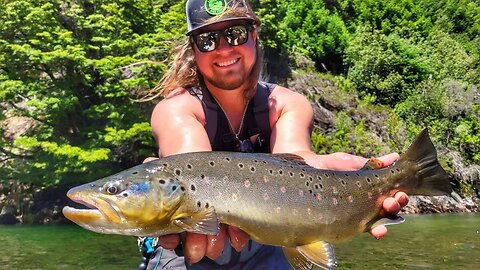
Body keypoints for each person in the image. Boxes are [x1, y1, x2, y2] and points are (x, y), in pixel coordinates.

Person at [142, 0, 409, 269]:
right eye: (207, 39)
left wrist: (344, 179)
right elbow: (191, 170)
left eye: (235, 33)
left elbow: (299, 160)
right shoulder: (175, 109)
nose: (223, 49)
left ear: (254, 36)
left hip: (271, 239)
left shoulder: (286, 105)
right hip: (188, 248)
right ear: (194, 50)